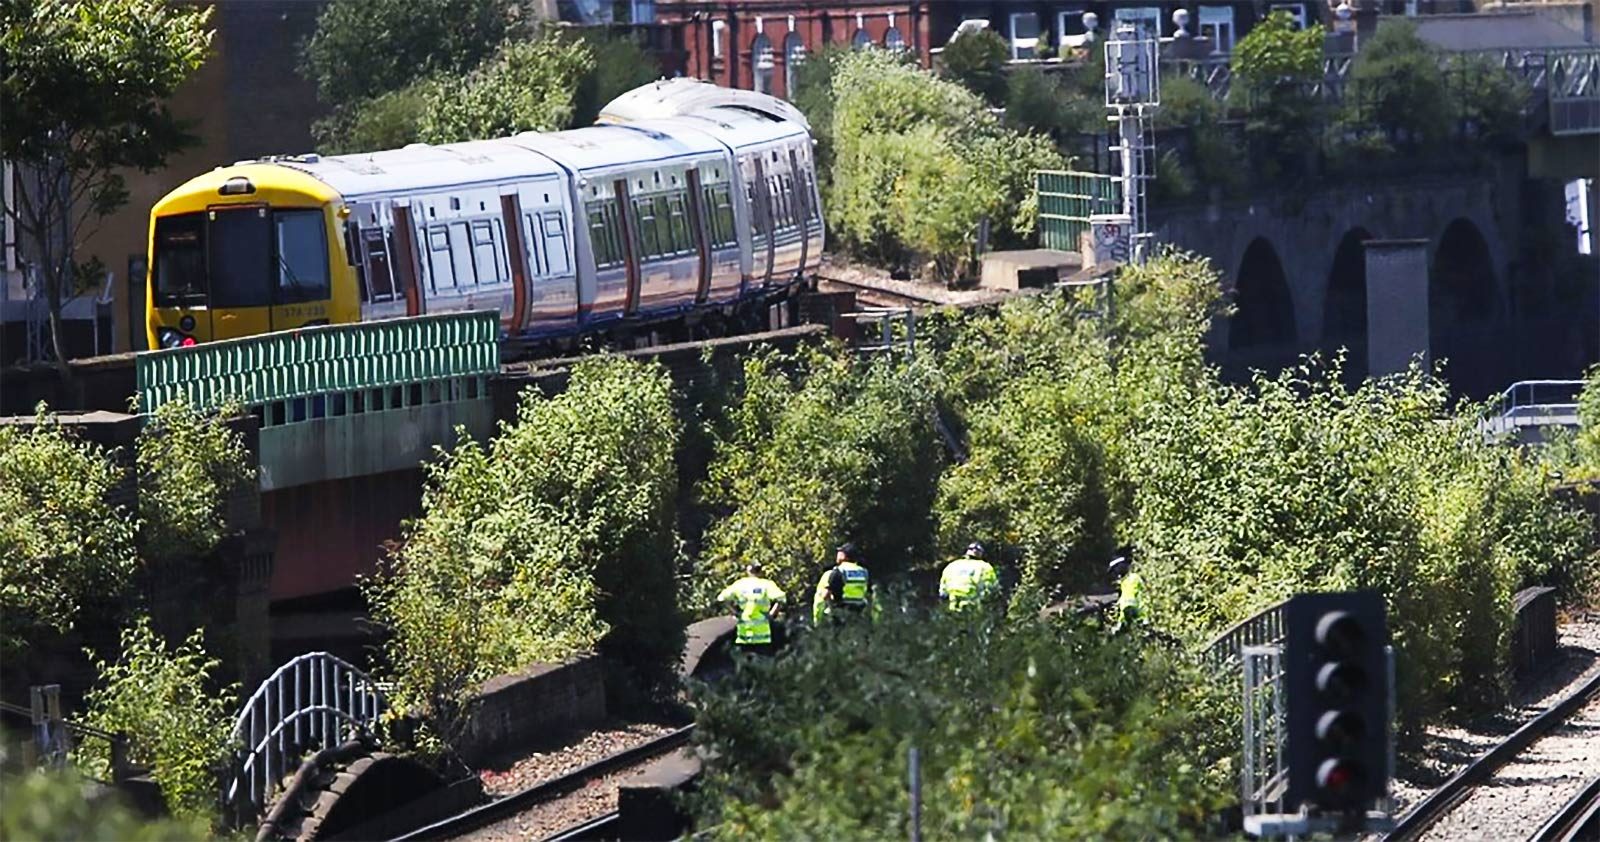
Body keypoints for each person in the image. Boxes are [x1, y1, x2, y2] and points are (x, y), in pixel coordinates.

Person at [718, 562, 787, 654]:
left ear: (748, 571)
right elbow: (781, 598)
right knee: (762, 663)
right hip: (762, 635)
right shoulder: (766, 584)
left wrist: (735, 612)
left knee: (745, 664)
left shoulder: (740, 584)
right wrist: (772, 614)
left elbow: (721, 598)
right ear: (761, 571)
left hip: (745, 634)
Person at [812, 542, 874, 626]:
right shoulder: (863, 572)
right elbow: (869, 594)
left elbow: (825, 595)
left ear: (845, 556)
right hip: (858, 612)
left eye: (840, 552)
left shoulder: (838, 572)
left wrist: (818, 620)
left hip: (840, 612)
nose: (837, 554)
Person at [939, 542, 998, 611]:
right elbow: (991, 588)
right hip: (972, 604)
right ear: (980, 554)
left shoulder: (952, 565)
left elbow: (943, 591)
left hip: (953, 604)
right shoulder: (985, 567)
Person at [1108, 553, 1144, 633]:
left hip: (1141, 620)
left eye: (1115, 569)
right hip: (1133, 622)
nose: (1116, 574)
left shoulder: (1134, 578)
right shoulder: (1123, 584)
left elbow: (1132, 603)